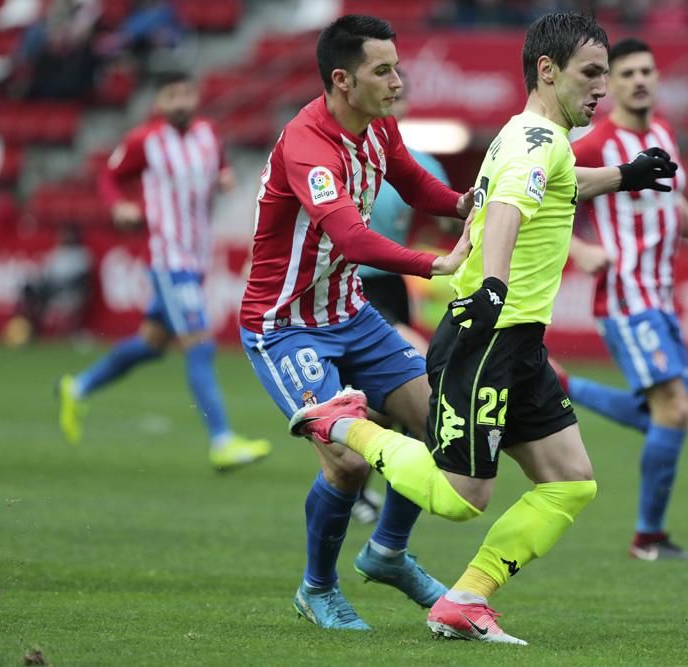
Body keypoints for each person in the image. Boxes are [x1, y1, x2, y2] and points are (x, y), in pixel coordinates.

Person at [288, 12, 680, 644]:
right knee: (461, 497)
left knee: (571, 481)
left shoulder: (536, 137)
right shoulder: (536, 139)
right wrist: (492, 288)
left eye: (605, 75)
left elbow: (556, 185)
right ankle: (347, 425)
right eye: (591, 74)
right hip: (488, 335)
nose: (601, 88)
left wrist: (623, 177)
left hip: (518, 341)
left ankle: (467, 597)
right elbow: (503, 213)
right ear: (547, 71)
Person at [237, 15, 475, 631]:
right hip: (285, 325)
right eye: (383, 70)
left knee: (439, 425)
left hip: (351, 312)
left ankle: (389, 552)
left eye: (397, 66)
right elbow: (350, 235)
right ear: (343, 80)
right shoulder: (308, 143)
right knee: (348, 461)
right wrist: (433, 262)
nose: (398, 80)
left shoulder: (378, 127)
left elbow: (415, 183)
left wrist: (464, 203)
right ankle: (317, 588)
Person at [560, 38, 688, 561]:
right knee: (674, 409)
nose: (639, 80)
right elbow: (536, 192)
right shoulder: (596, 145)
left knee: (660, 416)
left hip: (659, 294)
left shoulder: (663, 133)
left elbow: (670, 197)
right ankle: (648, 537)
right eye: (628, 73)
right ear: (609, 85)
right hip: (624, 295)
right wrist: (578, 250)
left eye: (647, 72)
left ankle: (563, 383)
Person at [56, 71, 271, 473]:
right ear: (158, 101)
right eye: (171, 95)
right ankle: (222, 441)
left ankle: (78, 386)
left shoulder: (208, 133)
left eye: (185, 93)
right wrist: (117, 204)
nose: (180, 102)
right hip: (169, 259)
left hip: (197, 255)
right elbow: (110, 176)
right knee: (201, 344)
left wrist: (224, 177)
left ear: (195, 95)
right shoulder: (145, 141)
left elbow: (220, 166)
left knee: (153, 343)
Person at [354, 80, 453, 524]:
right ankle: (363, 489)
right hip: (356, 284)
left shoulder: (422, 164)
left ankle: (356, 486)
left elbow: (449, 221)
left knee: (385, 400)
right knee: (416, 372)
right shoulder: (350, 156)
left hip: (394, 283)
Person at [2, 224, 92, 348]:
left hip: (69, 293)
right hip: (51, 292)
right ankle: (28, 327)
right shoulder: (57, 253)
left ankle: (33, 329)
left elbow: (80, 282)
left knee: (41, 296)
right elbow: (47, 276)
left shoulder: (82, 255)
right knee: (28, 290)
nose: (65, 238)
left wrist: (54, 288)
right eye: (64, 235)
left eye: (69, 235)